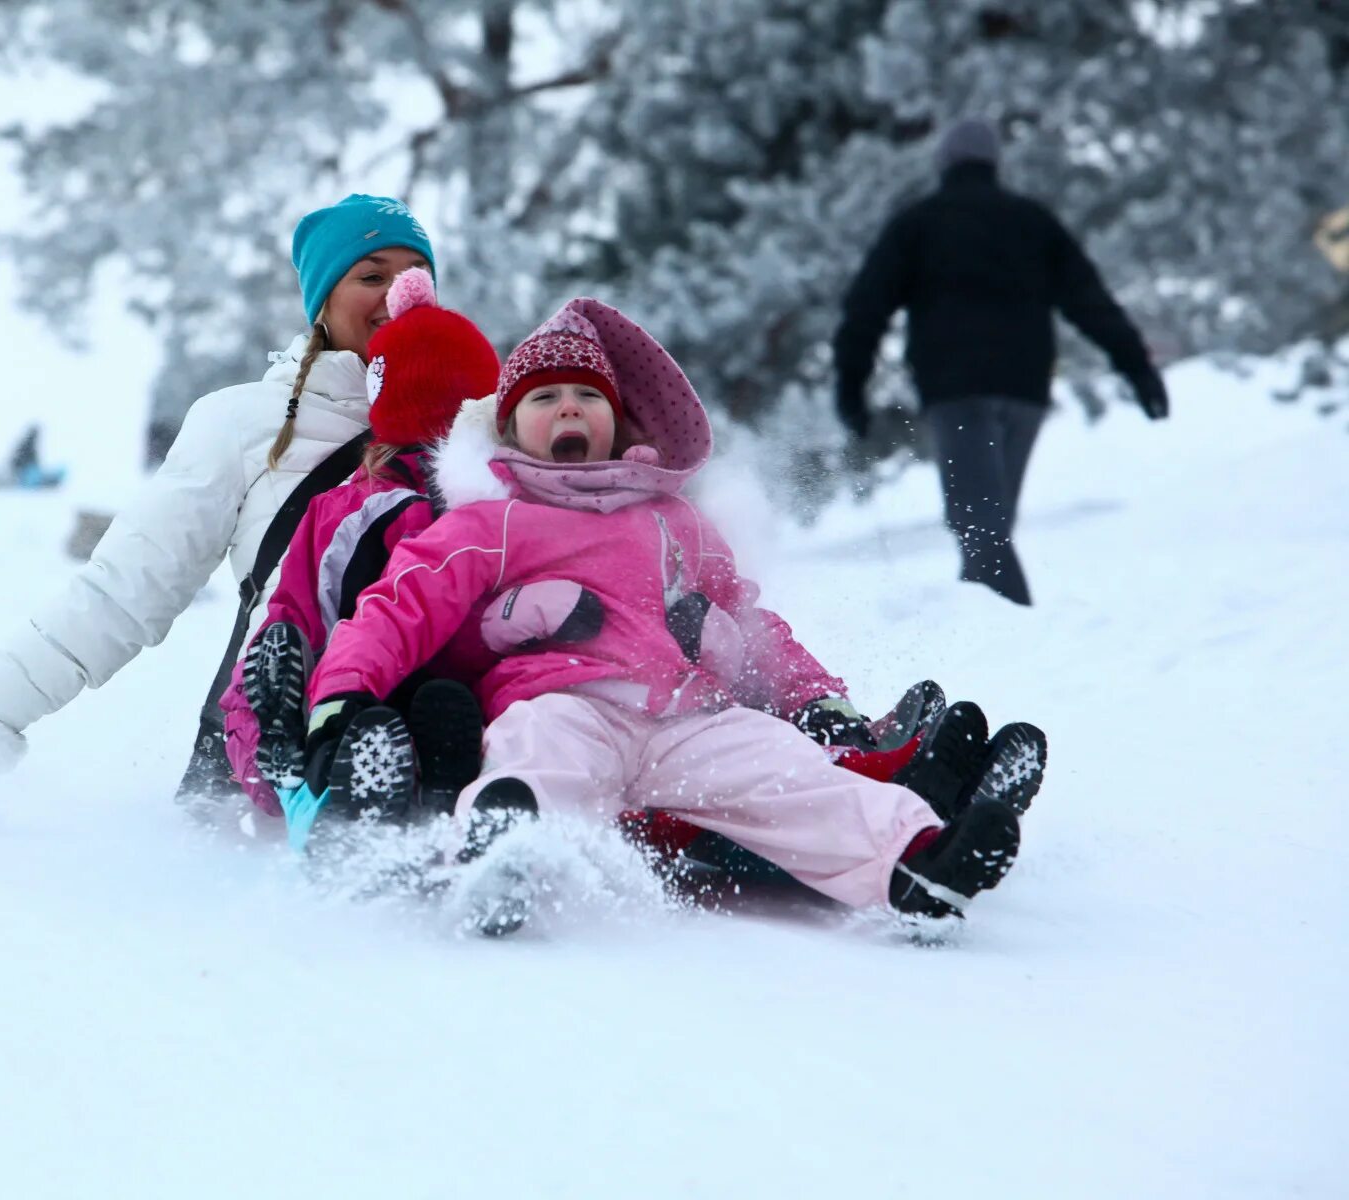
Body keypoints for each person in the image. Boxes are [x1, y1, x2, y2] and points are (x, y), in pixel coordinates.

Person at [305, 298, 1024, 929]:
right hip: (565, 703)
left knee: (788, 770)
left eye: (587, 398)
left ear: (617, 424)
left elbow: (750, 620)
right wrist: (340, 698)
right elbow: (399, 605)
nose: (567, 409)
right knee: (535, 756)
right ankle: (500, 855)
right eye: (544, 397)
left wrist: (813, 696)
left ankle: (916, 859)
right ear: (512, 429)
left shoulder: (672, 519)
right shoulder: (494, 520)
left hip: (688, 719)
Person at [0, 194, 437, 830]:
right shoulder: (240, 424)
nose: (399, 295)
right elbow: (125, 592)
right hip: (276, 747)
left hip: (440, 747)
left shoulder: (478, 427)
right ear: (322, 301)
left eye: (414, 275)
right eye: (371, 276)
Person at [832, 117, 1169, 606]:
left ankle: (1020, 639)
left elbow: (866, 309)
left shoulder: (918, 223)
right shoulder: (1033, 221)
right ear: (993, 163)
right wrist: (1137, 367)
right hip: (1024, 393)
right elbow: (1090, 302)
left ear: (944, 162)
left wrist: (850, 385)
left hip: (957, 392)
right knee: (987, 527)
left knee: (980, 529)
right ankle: (994, 641)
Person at [219, 267, 499, 833]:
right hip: (476, 715)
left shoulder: (348, 509)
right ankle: (440, 803)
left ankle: (312, 784)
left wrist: (255, 742)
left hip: (350, 701)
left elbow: (291, 619)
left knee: (329, 697)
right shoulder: (509, 509)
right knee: (450, 706)